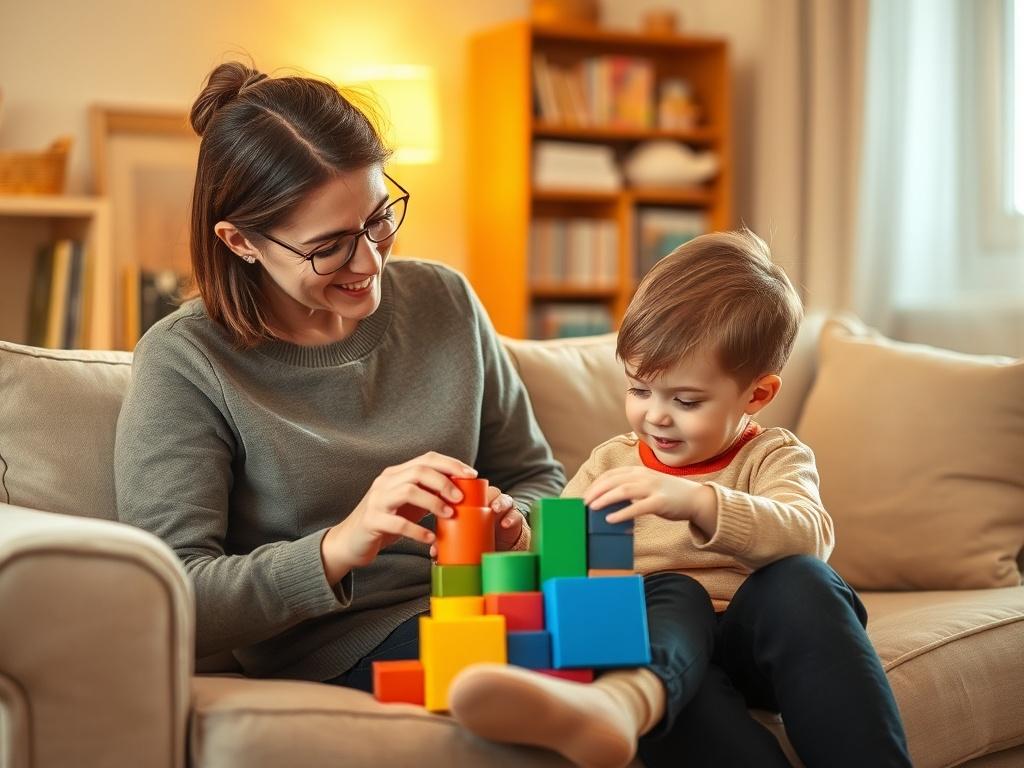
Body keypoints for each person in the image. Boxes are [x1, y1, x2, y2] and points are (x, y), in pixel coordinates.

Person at [113, 61, 566, 688]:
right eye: (329, 246)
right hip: (347, 645)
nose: (371, 259)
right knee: (577, 662)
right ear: (241, 241)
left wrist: (514, 522)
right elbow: (169, 593)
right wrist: (340, 546)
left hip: (490, 602)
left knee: (676, 610)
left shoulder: (446, 300)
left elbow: (538, 475)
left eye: (380, 217)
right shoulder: (186, 359)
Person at [448, 230, 913, 768]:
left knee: (802, 579)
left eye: (686, 400)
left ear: (757, 394)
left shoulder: (773, 455)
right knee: (644, 618)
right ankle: (624, 704)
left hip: (754, 643)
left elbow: (808, 534)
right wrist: (512, 538)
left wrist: (696, 500)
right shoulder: (610, 462)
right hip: (664, 653)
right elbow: (559, 562)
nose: (656, 416)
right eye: (639, 389)